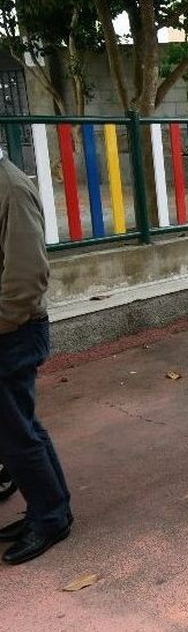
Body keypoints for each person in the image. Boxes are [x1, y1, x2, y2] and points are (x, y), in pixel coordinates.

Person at [0, 146, 73, 565]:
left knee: (15, 433)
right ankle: (49, 507)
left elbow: (28, 277)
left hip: (13, 331)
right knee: (19, 428)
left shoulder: (11, 188)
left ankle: (50, 518)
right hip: (9, 329)